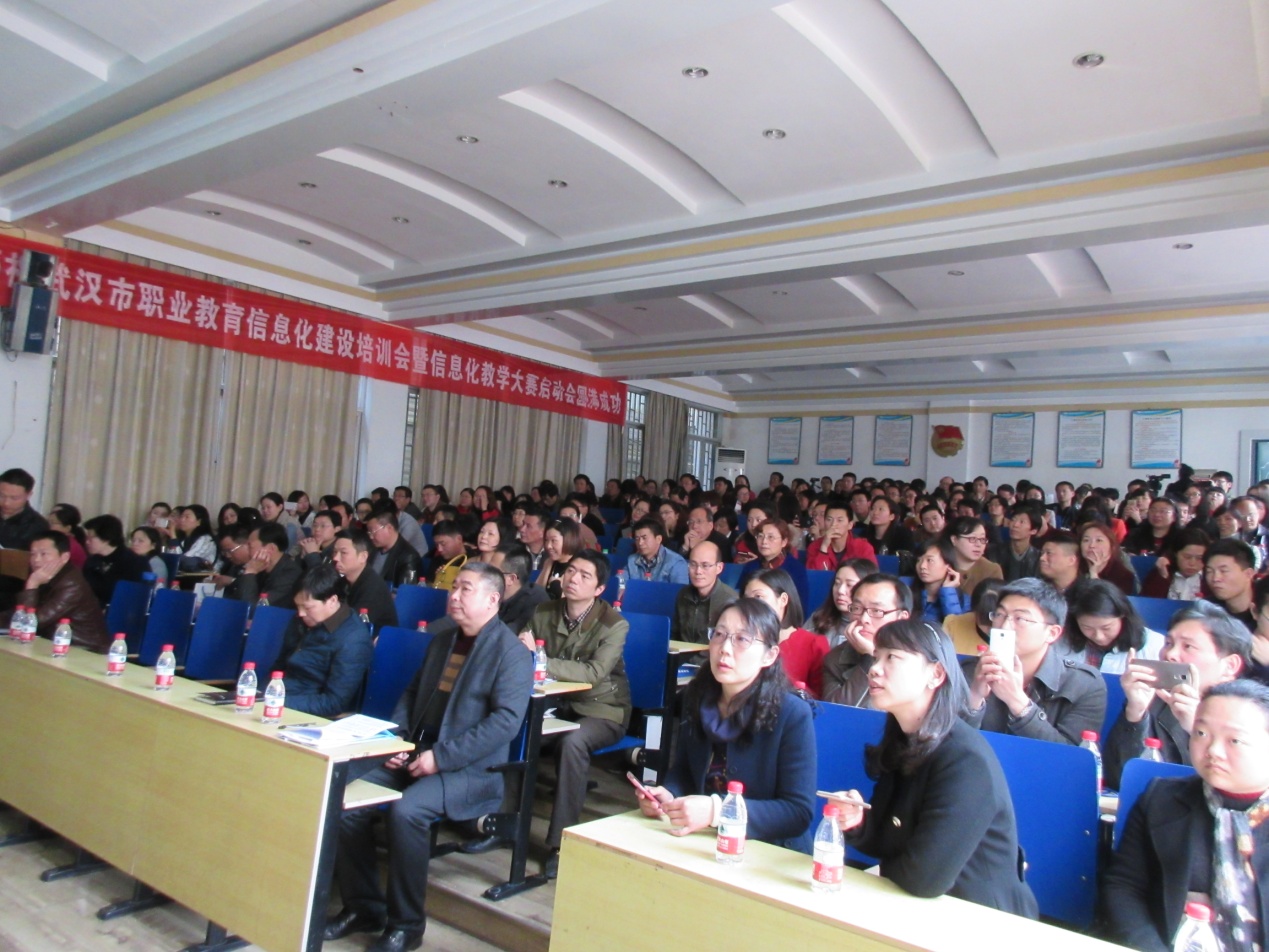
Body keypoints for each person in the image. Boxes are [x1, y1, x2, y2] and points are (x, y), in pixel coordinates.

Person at [328, 563, 532, 952]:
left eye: (465, 589)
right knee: (346, 801)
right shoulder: (442, 641)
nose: (454, 596)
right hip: (416, 753)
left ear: (493, 599)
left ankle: (406, 925)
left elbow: (504, 723)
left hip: (469, 769)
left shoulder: (511, 653)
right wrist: (399, 741)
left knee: (407, 812)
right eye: (454, 587)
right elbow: (411, 694)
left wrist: (440, 758)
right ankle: (363, 907)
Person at [827, 619, 1038, 915]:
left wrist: (889, 864)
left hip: (982, 918)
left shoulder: (965, 761)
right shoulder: (904, 739)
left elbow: (923, 879)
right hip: (921, 906)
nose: (875, 669)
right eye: (876, 657)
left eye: (892, 657)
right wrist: (858, 821)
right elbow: (887, 842)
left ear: (936, 674)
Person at [634, 598, 816, 852]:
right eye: (719, 635)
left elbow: (797, 812)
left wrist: (717, 811)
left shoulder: (792, 714)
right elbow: (684, 770)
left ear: (769, 655)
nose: (725, 648)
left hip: (770, 850)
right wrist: (669, 795)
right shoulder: (696, 696)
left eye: (742, 639)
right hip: (705, 841)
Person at [1104, 680, 1269, 952]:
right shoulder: (1162, 800)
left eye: (1234, 740)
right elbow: (1124, 887)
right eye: (1201, 733)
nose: (1213, 750)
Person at [521, 551, 629, 877]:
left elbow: (593, 673)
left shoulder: (614, 624)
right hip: (555, 703)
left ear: (599, 589)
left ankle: (560, 843)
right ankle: (500, 820)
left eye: (584, 575)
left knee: (573, 742)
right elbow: (519, 649)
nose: (573, 579)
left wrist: (540, 660)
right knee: (515, 728)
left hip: (602, 708)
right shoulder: (544, 611)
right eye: (570, 571)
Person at [1104, 600, 1252, 788]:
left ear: (1229, 666)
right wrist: (1135, 713)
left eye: (1188, 646)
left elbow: (1237, 788)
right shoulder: (1153, 699)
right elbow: (1119, 780)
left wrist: (1196, 729)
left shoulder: (1253, 714)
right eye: (1169, 643)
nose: (1170, 654)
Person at [962, 577, 1106, 745]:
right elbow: (948, 747)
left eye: (1020, 619)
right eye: (1000, 615)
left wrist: (1018, 703)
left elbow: (1071, 756)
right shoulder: (969, 671)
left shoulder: (1084, 684)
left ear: (1052, 633)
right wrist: (974, 698)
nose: (1004, 626)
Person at [276, 565, 375, 717]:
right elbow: (279, 666)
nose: (301, 613)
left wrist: (277, 701)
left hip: (307, 712)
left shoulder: (353, 639)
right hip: (280, 698)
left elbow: (334, 703)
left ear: (332, 600)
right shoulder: (301, 621)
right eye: (298, 606)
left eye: (308, 608)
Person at [0, 531, 109, 651]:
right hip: (51, 642)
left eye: (44, 554)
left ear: (64, 557)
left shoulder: (72, 584)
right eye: (33, 554)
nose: (36, 560)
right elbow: (20, 613)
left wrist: (32, 585)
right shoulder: (44, 574)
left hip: (84, 650)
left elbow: (32, 623)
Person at [821, 572, 912, 706]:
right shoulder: (835, 659)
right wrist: (869, 659)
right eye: (857, 608)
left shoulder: (920, 658)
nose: (864, 619)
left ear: (902, 618)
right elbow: (838, 713)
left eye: (876, 611)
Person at [742, 568, 829, 699]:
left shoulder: (813, 644)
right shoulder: (740, 639)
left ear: (783, 600)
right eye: (746, 599)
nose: (750, 605)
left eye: (758, 597)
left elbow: (821, 699)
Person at [1059, 579, 1164, 674]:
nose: (1099, 636)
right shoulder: (1060, 641)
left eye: (1106, 628)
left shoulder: (1156, 646)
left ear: (1123, 616)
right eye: (1087, 628)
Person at [331, 528, 398, 632]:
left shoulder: (373, 588)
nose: (335, 558)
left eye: (343, 553)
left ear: (363, 557)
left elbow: (351, 625)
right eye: (335, 552)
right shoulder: (343, 581)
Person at [672, 541, 738, 644]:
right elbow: (675, 634)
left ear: (719, 568)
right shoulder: (683, 594)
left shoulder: (730, 600)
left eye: (705, 565)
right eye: (693, 564)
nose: (698, 571)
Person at [737, 517, 810, 609]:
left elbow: (799, 606)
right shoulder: (751, 566)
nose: (764, 541)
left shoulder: (795, 569)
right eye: (760, 536)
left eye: (770, 537)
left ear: (784, 542)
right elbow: (740, 597)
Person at [806, 558, 876, 649]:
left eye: (849, 585)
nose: (840, 591)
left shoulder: (872, 627)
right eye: (837, 583)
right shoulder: (819, 618)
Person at [81, 514, 149, 607]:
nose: (87, 542)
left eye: (91, 538)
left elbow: (135, 600)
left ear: (106, 539)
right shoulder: (92, 561)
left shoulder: (135, 563)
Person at [230, 524, 302, 610]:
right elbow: (237, 597)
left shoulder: (291, 575)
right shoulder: (261, 568)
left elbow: (253, 609)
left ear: (271, 548)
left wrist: (250, 572)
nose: (247, 551)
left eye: (250, 546)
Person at [487, 545, 546, 633]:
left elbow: (504, 636)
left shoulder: (535, 601)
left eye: (492, 572)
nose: (486, 575)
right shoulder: (488, 593)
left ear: (511, 579)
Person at [1139, 525, 1209, 600]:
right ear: (1176, 553)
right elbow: (1145, 602)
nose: (1192, 563)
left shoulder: (1209, 579)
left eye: (1199, 558)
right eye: (1187, 557)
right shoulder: (1161, 572)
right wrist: (1163, 578)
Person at [805, 498, 876, 571]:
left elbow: (870, 575)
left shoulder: (863, 547)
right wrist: (824, 547)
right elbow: (814, 575)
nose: (833, 524)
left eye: (839, 520)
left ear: (850, 525)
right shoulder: (814, 546)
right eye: (829, 519)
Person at [911, 537, 969, 623]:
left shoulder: (965, 601)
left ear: (948, 565)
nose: (922, 566)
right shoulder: (904, 588)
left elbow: (955, 628)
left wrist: (948, 591)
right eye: (918, 560)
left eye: (929, 560)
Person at [1203, 537, 1257, 629]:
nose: (1215, 578)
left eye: (1224, 571)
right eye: (1209, 571)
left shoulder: (1264, 610)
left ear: (1248, 574)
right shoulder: (1206, 609)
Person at [944, 515, 1003, 597]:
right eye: (972, 539)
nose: (978, 544)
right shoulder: (940, 566)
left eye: (982, 539)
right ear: (954, 540)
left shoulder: (992, 570)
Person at [1077, 521, 1137, 596]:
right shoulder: (1074, 567)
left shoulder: (1123, 576)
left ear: (1111, 547)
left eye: (1099, 540)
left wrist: (1093, 574)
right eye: (1086, 540)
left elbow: (1105, 602)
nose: (1092, 545)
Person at [368, 509, 423, 589]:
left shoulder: (409, 556)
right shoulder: (373, 550)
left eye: (373, 532)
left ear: (389, 528)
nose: (371, 536)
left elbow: (405, 591)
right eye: (369, 532)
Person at [627, 517, 689, 585]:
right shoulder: (632, 560)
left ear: (658, 539)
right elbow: (621, 582)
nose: (640, 543)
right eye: (637, 538)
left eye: (644, 538)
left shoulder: (676, 562)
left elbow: (681, 590)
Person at [0, 467, 49, 550]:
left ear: (28, 495)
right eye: (1, 496)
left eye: (14, 498)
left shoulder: (38, 525)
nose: (6, 503)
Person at [534, 518, 580, 599]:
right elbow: (536, 592)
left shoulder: (579, 566)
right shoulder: (549, 562)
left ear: (568, 539)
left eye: (554, 540)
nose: (548, 546)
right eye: (546, 540)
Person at [995, 506, 1043, 581]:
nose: (1015, 525)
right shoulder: (994, 552)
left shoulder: (1039, 558)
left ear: (1033, 530)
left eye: (1022, 522)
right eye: (1013, 520)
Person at [427, 520, 468, 590]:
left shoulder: (473, 559)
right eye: (436, 545)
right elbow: (429, 587)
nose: (439, 549)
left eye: (443, 544)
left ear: (459, 539)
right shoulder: (436, 561)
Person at [175, 504, 217, 569]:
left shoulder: (206, 540)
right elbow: (172, 558)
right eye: (181, 516)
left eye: (187, 517)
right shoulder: (183, 540)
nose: (182, 520)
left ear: (199, 522)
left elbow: (186, 561)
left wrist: (173, 536)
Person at [46, 503, 88, 568]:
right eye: (48, 522)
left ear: (67, 528)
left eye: (53, 523)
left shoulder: (70, 546)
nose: (48, 526)